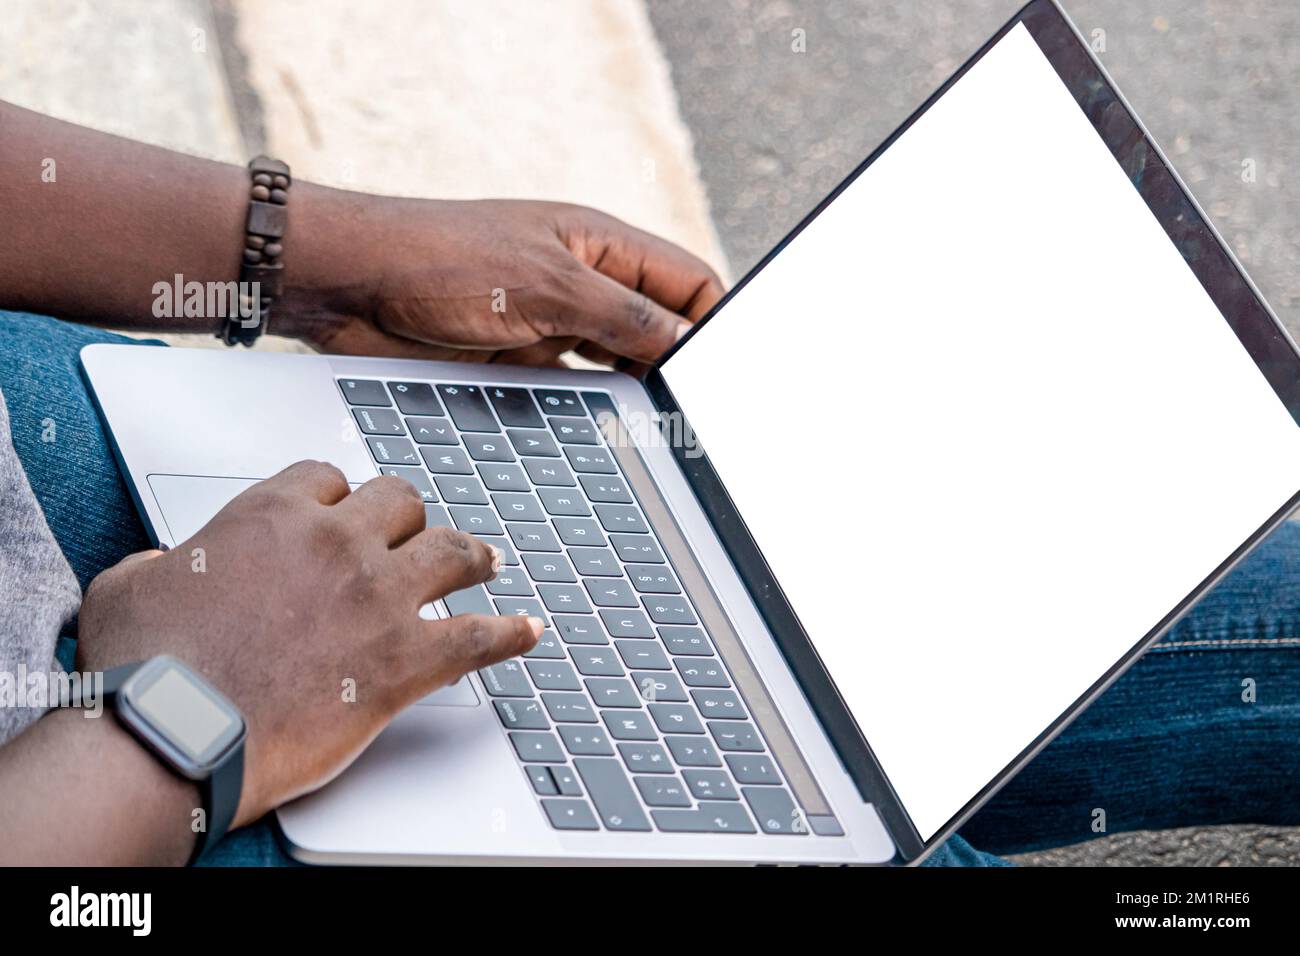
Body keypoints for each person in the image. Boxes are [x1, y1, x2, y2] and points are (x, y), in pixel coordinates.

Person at [1, 101, 1298, 867]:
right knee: (814, 794)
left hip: (49, 448)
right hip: (115, 798)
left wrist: (323, 264)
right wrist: (168, 726)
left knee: (1075, 584)